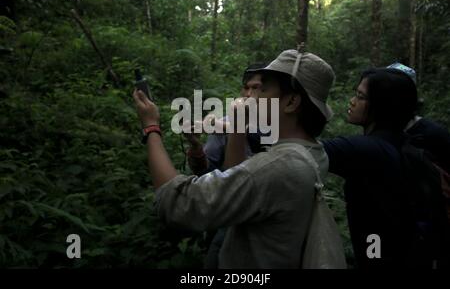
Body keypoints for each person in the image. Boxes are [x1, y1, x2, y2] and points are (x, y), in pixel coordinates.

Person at [133, 48, 336, 268]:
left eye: (263, 90)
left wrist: (151, 127)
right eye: (248, 89)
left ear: (291, 103)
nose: (251, 97)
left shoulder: (277, 167)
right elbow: (236, 176)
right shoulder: (315, 153)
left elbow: (179, 205)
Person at [322, 67, 448, 268]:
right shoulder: (405, 146)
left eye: (360, 97)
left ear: (381, 106)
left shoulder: (367, 150)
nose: (352, 101)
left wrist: (266, 110)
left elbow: (295, 151)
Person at [183, 63, 268, 268]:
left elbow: (262, 136)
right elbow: (205, 171)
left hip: (267, 220)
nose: (248, 94)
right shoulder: (225, 122)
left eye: (256, 88)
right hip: (228, 219)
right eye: (246, 87)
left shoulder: (280, 123)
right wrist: (196, 148)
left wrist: (222, 126)